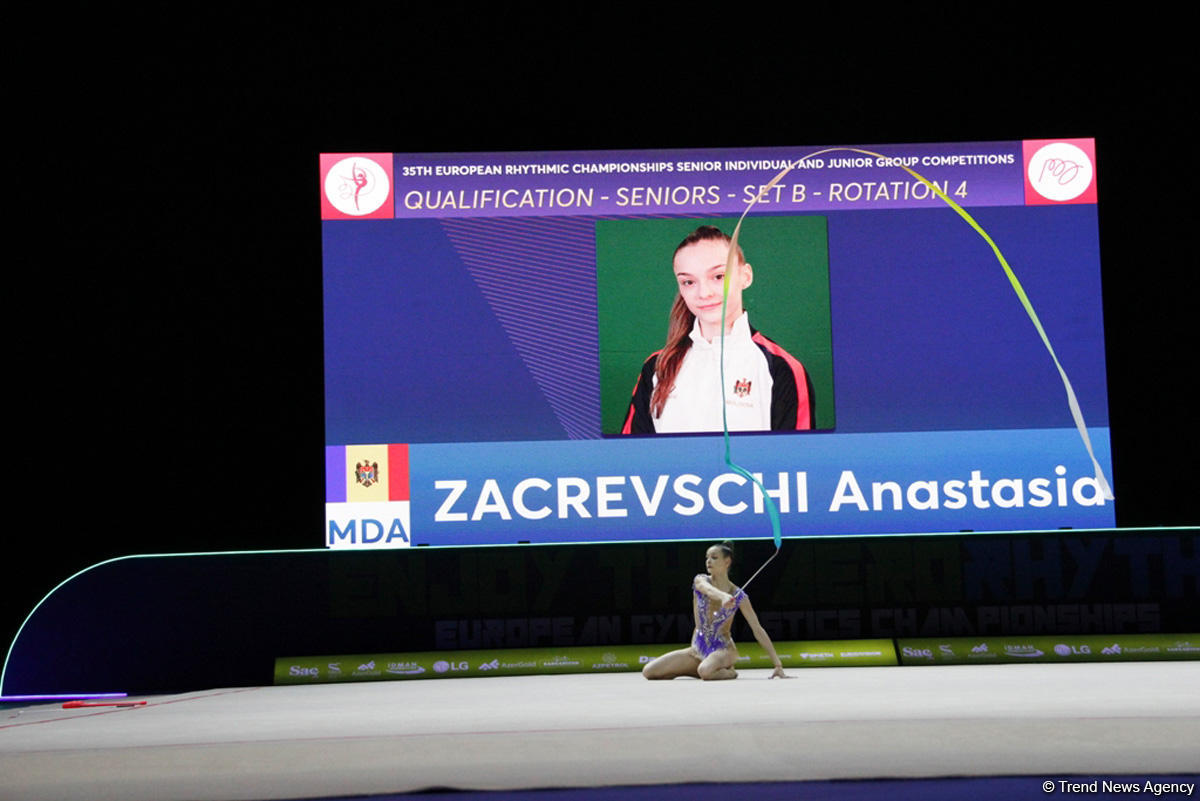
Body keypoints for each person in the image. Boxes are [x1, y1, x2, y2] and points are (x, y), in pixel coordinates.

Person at [621, 225, 813, 435]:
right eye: (688, 282)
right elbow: (631, 457)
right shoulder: (658, 367)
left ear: (745, 276)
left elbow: (796, 461)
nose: (704, 293)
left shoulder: (781, 368)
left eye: (719, 277)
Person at [642, 541, 788, 680]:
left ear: (727, 562)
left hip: (723, 650)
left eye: (714, 557)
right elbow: (708, 590)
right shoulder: (700, 580)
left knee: (705, 671)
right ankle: (699, 670)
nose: (708, 561)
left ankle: (730, 672)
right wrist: (723, 596)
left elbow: (757, 629)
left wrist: (777, 664)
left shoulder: (739, 595)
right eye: (707, 557)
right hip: (697, 650)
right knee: (649, 671)